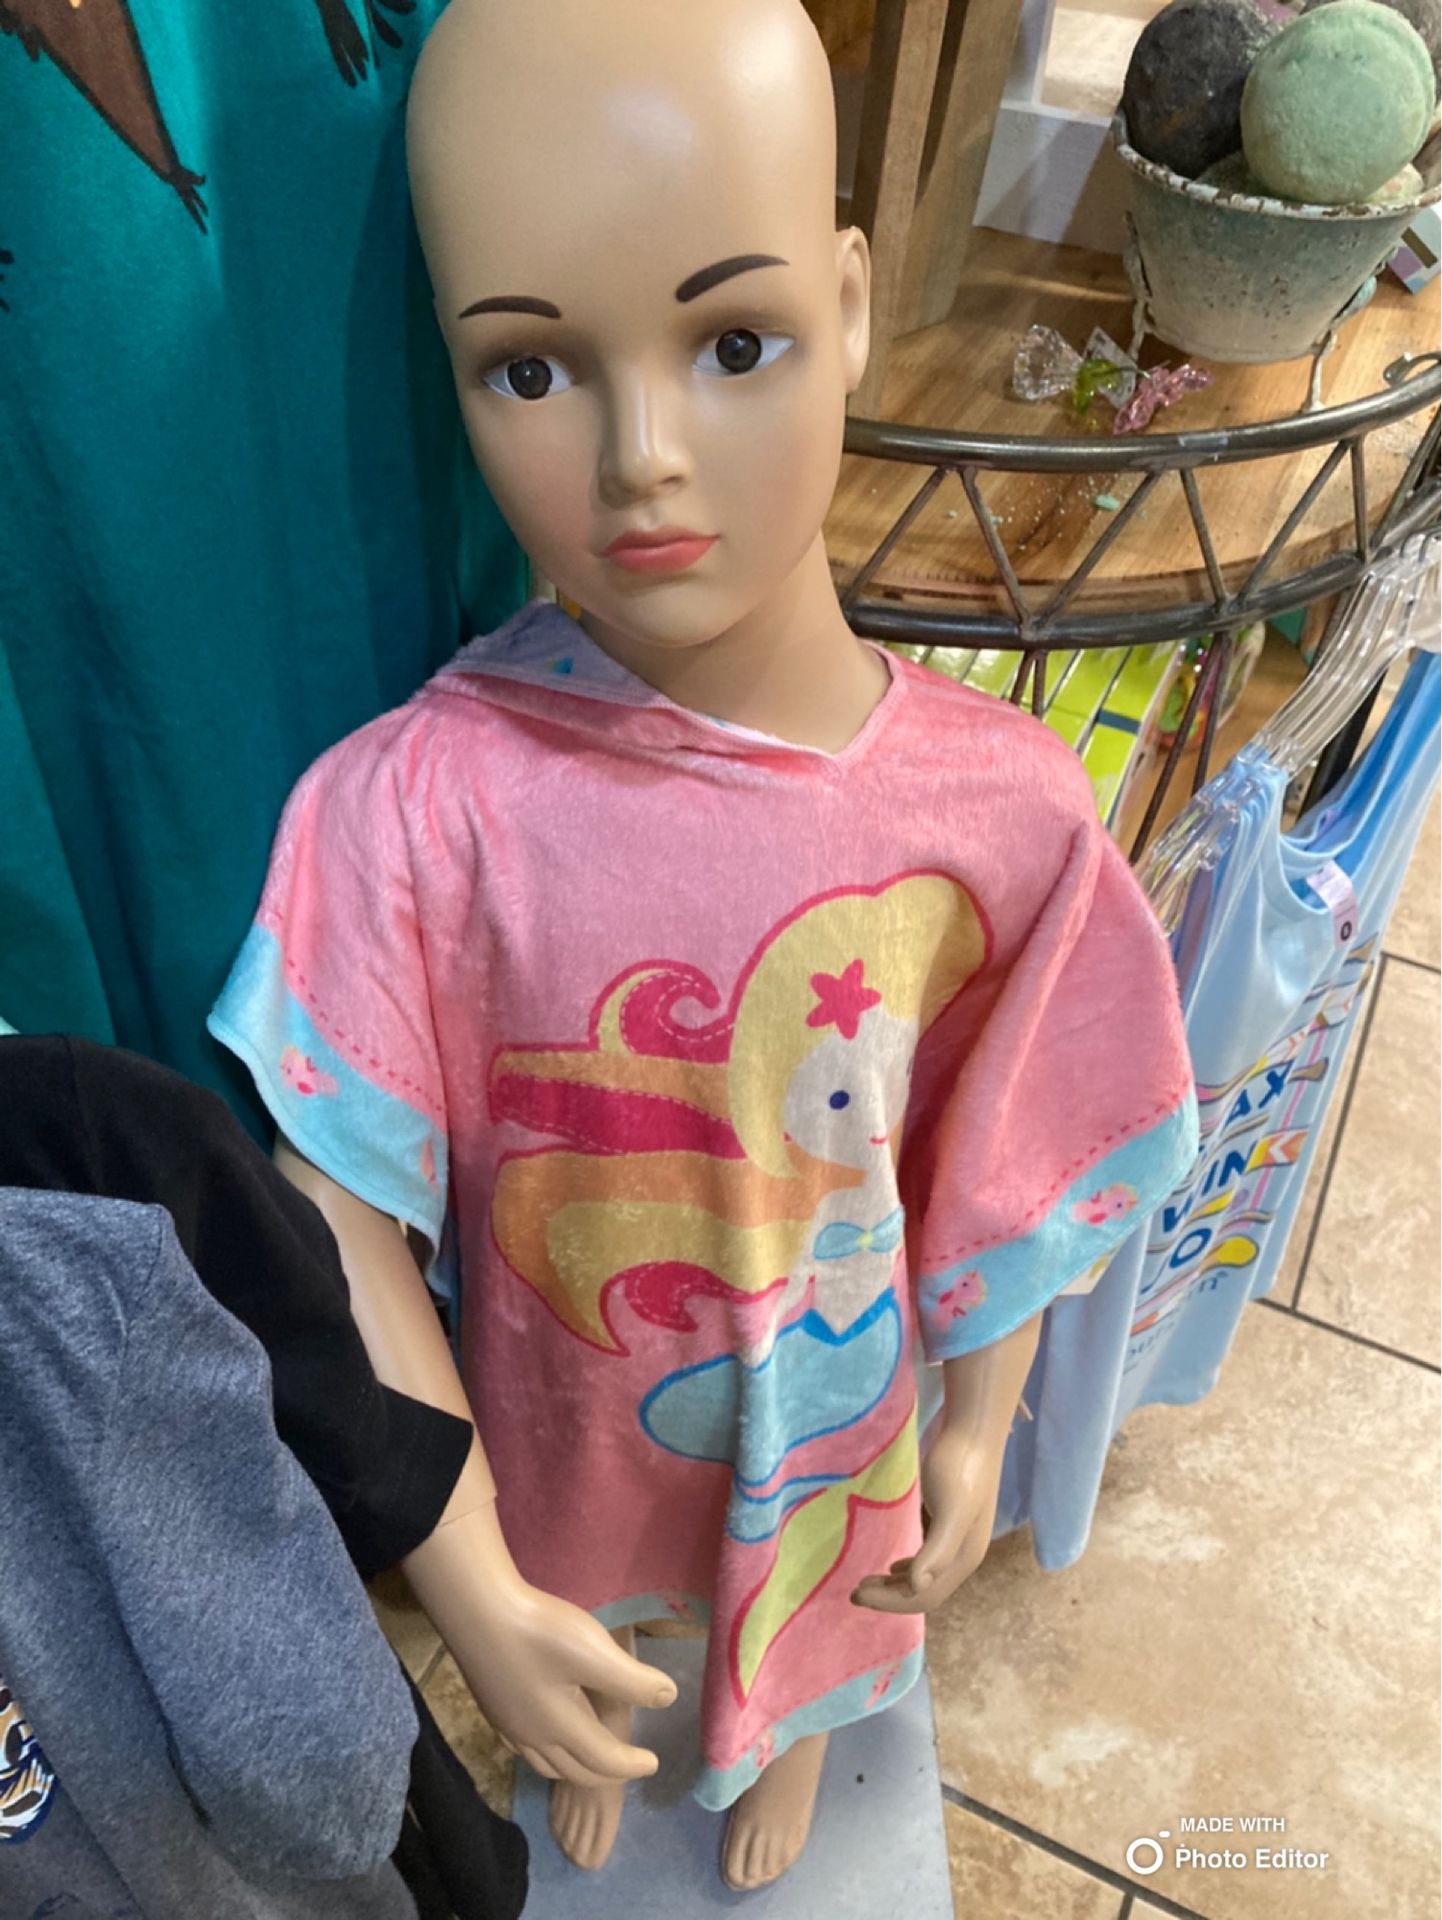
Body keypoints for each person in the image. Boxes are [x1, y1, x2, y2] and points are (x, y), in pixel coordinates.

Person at [210, 0, 1199, 1890]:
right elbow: (336, 1213)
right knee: (594, 1611)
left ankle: (796, 1740)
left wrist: (977, 1422)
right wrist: (471, 1582)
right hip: (564, 1422)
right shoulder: (414, 812)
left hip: (831, 1412)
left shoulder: (999, 815)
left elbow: (1017, 1144)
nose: (641, 458)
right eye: (529, 368)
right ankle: (604, 1674)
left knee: (814, 1605)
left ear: (848, 304)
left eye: (733, 342)